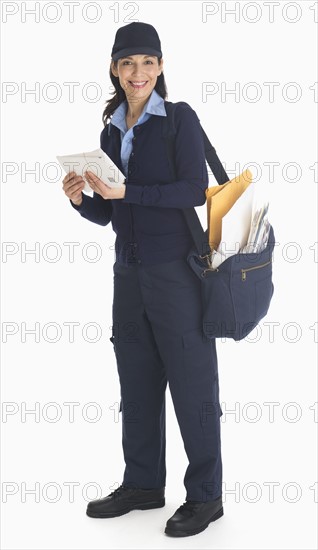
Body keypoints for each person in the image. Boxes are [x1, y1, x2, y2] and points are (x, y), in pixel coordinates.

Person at [62, 21, 223, 538]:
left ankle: (205, 496)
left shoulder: (178, 119)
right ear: (114, 69)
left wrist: (125, 191)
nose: (139, 73)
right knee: (136, 381)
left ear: (160, 67)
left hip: (177, 270)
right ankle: (144, 485)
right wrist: (81, 200)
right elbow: (112, 215)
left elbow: (193, 191)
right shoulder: (112, 126)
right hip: (127, 273)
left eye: (148, 62)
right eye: (128, 63)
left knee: (192, 380)